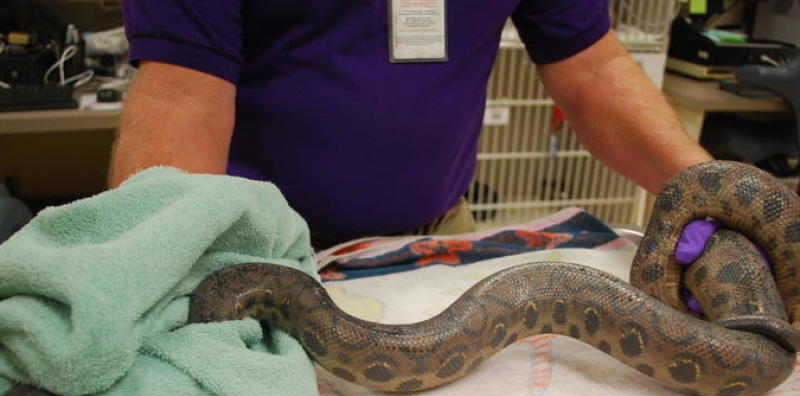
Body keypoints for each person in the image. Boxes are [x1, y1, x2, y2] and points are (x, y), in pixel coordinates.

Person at [111, 1, 712, 249]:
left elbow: (594, 68)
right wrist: (154, 265)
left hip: (439, 234)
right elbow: (182, 93)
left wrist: (717, 194)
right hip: (251, 245)